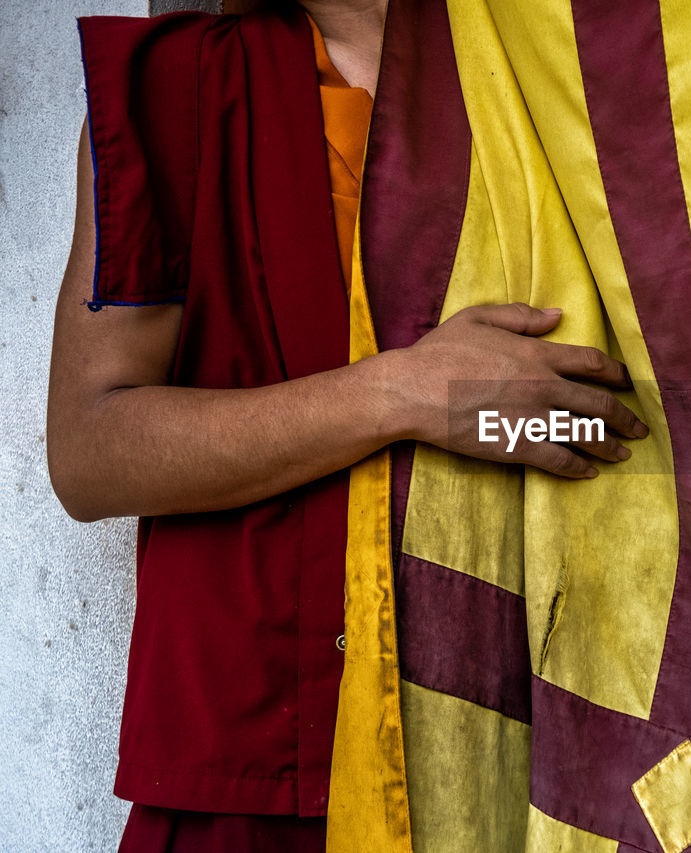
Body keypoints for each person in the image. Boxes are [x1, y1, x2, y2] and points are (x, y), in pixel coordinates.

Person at [46, 0, 647, 849]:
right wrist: (403, 396)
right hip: (262, 748)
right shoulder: (186, 86)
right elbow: (89, 451)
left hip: (515, 724)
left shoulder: (552, 65)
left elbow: (575, 404)